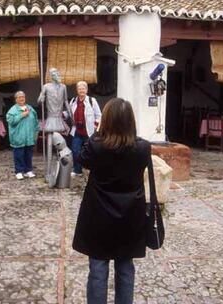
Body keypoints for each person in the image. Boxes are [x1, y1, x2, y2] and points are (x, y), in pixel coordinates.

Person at [72, 98, 152, 304]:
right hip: (130, 215)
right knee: (125, 268)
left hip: (99, 215)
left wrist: (98, 132)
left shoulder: (97, 147)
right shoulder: (143, 148)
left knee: (98, 269)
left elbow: (81, 159)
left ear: (106, 121)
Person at [68, 81, 101, 177]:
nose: (81, 90)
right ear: (77, 90)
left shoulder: (92, 100)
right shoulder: (73, 101)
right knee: (75, 151)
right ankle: (77, 170)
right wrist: (62, 114)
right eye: (79, 89)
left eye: (83, 88)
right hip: (77, 131)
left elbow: (99, 115)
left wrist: (95, 126)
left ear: (86, 90)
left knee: (90, 151)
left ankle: (91, 169)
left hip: (89, 132)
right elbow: (69, 113)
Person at [6, 91, 39, 180]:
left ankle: (28, 170)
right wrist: (21, 115)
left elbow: (36, 121)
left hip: (29, 137)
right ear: (16, 99)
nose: (21, 99)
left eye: (23, 97)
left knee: (28, 155)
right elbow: (11, 121)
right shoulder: (12, 110)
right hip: (18, 137)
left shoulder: (30, 109)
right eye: (19, 97)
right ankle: (19, 171)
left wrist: (36, 132)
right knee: (19, 155)